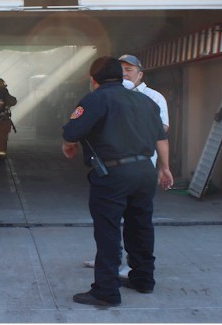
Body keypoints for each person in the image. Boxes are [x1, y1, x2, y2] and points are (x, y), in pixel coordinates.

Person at [62, 56, 173, 307]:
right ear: (121, 77)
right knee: (141, 226)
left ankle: (106, 291)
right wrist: (164, 167)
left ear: (93, 79)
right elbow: (160, 136)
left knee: (108, 231)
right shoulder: (145, 101)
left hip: (113, 174)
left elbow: (71, 132)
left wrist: (68, 145)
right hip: (145, 171)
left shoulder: (96, 98)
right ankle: (143, 279)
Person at [83, 53, 171, 276]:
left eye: (129, 69)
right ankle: (140, 276)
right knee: (135, 224)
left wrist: (164, 166)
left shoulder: (151, 98)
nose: (124, 73)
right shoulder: (139, 101)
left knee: (117, 226)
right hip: (137, 171)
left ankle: (109, 286)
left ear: (140, 74)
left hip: (128, 170)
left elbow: (162, 134)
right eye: (120, 69)